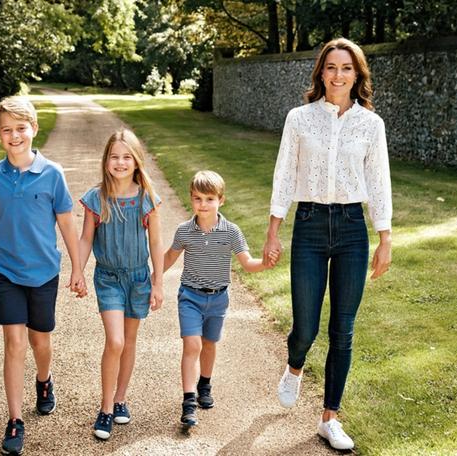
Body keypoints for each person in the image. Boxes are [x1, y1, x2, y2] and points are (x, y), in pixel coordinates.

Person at [263, 38, 392, 451]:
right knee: (305, 326)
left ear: (358, 75)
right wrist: (273, 230)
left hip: (353, 227)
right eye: (332, 67)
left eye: (347, 68)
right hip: (310, 224)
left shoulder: (371, 125)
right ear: (321, 72)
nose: (338, 75)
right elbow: (284, 174)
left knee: (343, 329)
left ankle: (329, 419)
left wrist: (384, 237)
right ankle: (295, 366)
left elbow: (379, 182)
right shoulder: (299, 118)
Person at [0, 96, 85, 456]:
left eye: (21, 128)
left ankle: (44, 381)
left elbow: (67, 224)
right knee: (14, 342)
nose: (14, 136)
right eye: (7, 130)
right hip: (6, 271)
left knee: (40, 342)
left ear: (34, 129)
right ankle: (14, 419)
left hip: (43, 272)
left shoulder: (53, 174)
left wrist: (77, 268)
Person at [163, 171, 276, 428]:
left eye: (209, 198)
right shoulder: (184, 231)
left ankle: (205, 383)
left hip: (218, 299)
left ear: (221, 200)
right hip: (190, 296)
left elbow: (247, 263)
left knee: (209, 344)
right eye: (198, 198)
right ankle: (189, 402)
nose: (203, 204)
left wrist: (265, 264)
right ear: (191, 199)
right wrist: (153, 278)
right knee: (192, 346)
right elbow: (169, 257)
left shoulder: (231, 232)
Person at [77, 129, 164, 440]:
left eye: (127, 157)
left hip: (139, 278)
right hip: (109, 278)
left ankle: (121, 398)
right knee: (114, 341)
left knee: (128, 341)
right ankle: (105, 408)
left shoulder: (146, 198)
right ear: (106, 161)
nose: (120, 162)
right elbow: (86, 238)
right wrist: (78, 270)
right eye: (114, 156)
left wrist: (158, 282)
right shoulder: (96, 199)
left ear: (137, 161)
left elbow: (155, 242)